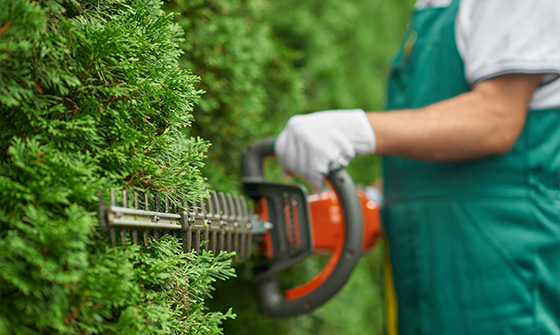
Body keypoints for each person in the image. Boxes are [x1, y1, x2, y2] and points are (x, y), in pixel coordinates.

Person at [274, 0, 560, 334]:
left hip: (501, 259)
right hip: (425, 260)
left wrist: (356, 129)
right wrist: (376, 200)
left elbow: (497, 118)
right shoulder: (434, 8)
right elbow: (433, 142)